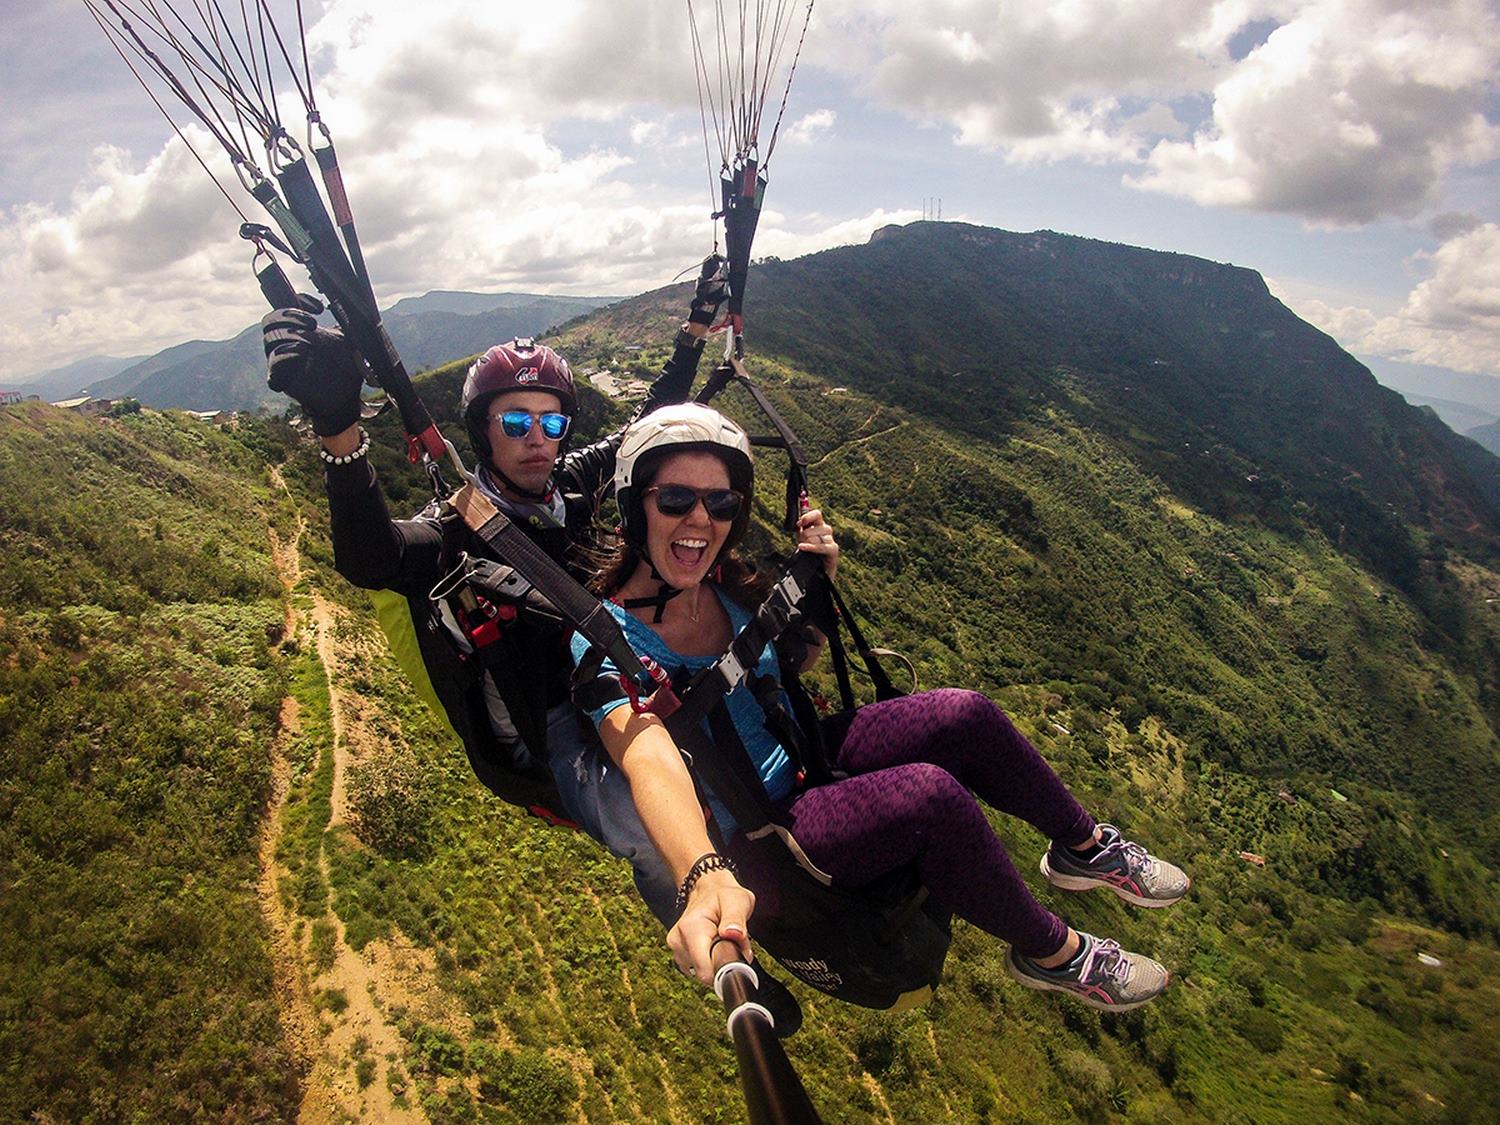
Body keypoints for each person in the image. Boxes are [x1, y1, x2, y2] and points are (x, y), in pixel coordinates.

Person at [571, 403, 1191, 1012]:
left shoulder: (723, 587)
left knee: (963, 714)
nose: (701, 519)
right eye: (676, 499)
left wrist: (820, 582)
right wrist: (702, 871)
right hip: (760, 832)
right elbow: (645, 753)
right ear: (634, 505)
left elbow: (786, 666)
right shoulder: (605, 642)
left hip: (805, 754)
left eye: (723, 502)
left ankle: (1083, 846)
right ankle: (1054, 954)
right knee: (931, 798)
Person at [259, 264, 728, 921]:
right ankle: (713, 944)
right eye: (515, 423)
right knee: (656, 836)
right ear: (484, 430)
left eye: (551, 423)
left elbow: (643, 427)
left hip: (611, 674)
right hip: (547, 725)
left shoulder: (567, 484)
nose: (537, 440)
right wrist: (339, 429)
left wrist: (694, 332)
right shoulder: (453, 531)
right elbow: (372, 556)